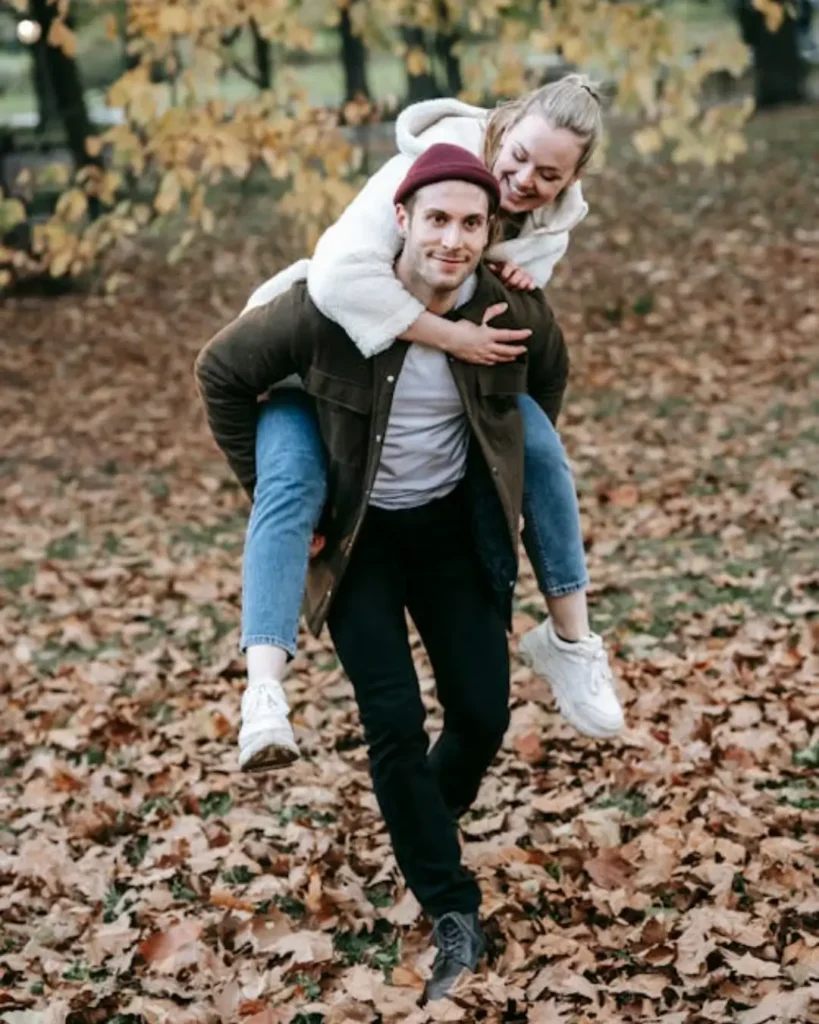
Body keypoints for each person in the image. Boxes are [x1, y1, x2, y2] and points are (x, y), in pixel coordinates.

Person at [196, 143, 570, 1001]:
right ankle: (451, 907)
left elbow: (545, 382)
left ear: (489, 231)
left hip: (450, 532)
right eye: (436, 219)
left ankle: (416, 823)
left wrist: (503, 464)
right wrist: (273, 489)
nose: (452, 240)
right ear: (400, 218)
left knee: (482, 713)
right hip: (360, 541)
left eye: (471, 224)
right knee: (393, 722)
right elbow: (220, 372)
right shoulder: (325, 309)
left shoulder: (507, 307)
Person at [238, 74, 624, 773]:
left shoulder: (552, 221)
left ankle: (571, 641)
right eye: (518, 157)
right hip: (319, 356)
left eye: (548, 175)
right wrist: (452, 338)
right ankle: (263, 690)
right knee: (288, 487)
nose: (525, 181)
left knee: (540, 449)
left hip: (423, 394)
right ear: (503, 126)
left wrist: (500, 461)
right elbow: (335, 279)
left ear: (572, 180)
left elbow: (528, 337)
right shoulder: (426, 171)